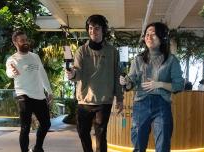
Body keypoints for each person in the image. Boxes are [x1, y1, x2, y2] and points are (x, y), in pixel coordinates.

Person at [119, 22, 184, 152]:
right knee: (138, 144)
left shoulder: (171, 60)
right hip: (141, 103)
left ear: (162, 37)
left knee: (163, 145)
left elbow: (179, 85)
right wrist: (126, 82)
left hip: (162, 104)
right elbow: (132, 82)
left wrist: (159, 84)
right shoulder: (138, 60)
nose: (149, 37)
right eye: (147, 34)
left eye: (153, 34)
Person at [66, 14, 124, 152]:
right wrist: (73, 74)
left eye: (97, 28)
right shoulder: (81, 50)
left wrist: (120, 98)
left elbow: (117, 75)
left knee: (101, 135)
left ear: (103, 30)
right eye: (90, 28)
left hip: (104, 101)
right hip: (84, 101)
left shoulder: (112, 51)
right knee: (82, 132)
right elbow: (77, 72)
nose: (93, 31)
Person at [6, 31, 53, 152]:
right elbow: (9, 72)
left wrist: (49, 90)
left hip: (39, 95)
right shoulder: (12, 59)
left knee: (46, 124)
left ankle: (38, 148)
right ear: (15, 42)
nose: (25, 43)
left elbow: (42, 74)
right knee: (25, 127)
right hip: (24, 95)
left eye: (26, 40)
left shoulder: (35, 56)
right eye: (22, 40)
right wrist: (13, 72)